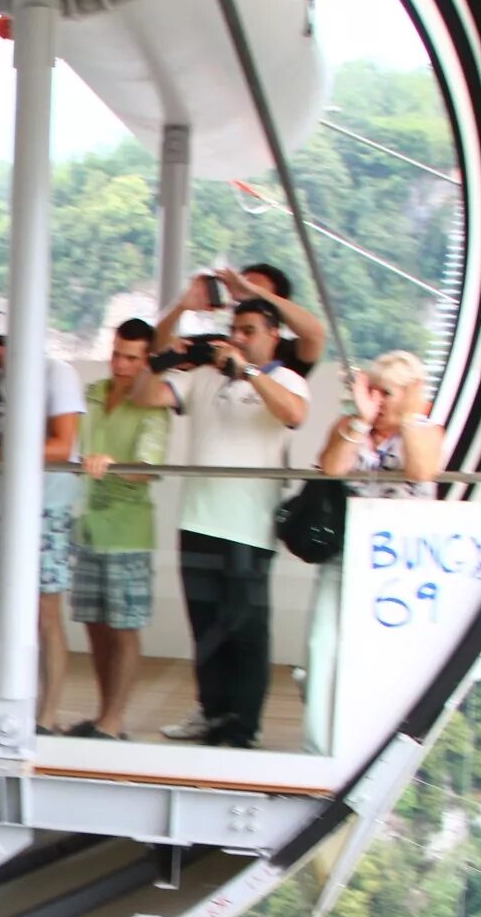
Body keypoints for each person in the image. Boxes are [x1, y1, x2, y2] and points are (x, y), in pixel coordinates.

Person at [138, 297, 310, 749]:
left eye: (250, 330)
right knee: (207, 625)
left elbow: (293, 414)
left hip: (249, 528)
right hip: (197, 519)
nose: (239, 337)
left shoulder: (287, 379)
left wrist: (248, 372)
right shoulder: (203, 379)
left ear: (273, 335)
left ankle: (243, 726)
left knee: (247, 631)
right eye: (236, 329)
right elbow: (144, 395)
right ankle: (213, 714)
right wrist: (170, 355)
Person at [305, 351, 442, 753]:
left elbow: (420, 470)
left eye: (388, 393)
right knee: (323, 644)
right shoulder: (352, 426)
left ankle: (380, 742)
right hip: (347, 550)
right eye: (374, 391)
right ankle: (318, 747)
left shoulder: (426, 429)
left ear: (409, 394)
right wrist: (362, 419)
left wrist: (409, 415)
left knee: (388, 656)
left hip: (399, 561)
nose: (379, 401)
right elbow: (331, 467)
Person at [0, 297, 85, 734]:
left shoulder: (58, 373)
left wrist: (4, 452)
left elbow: (63, 445)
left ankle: (47, 714)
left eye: (2, 341)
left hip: (47, 507)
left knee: (44, 613)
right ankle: (9, 701)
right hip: (2, 504)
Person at [66, 319, 170, 741]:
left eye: (131, 357)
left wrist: (114, 464)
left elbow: (148, 470)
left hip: (128, 529)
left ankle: (114, 718)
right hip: (87, 522)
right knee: (95, 623)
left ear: (147, 361)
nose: (121, 364)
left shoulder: (155, 406)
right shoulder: (92, 394)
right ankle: (105, 713)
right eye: (116, 354)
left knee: (125, 626)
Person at [155, 262, 324, 378]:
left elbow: (315, 335)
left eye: (252, 296)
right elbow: (155, 349)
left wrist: (254, 291)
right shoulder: (217, 344)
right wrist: (180, 307)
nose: (244, 300)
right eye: (239, 291)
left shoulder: (288, 352)